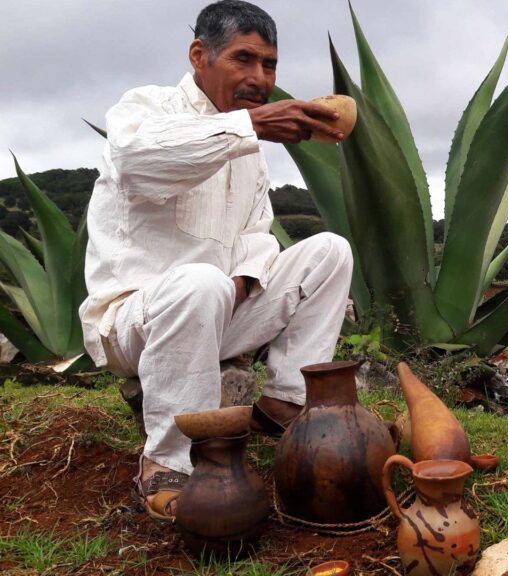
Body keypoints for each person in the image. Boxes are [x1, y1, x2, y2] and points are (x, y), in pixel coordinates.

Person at [79, 0, 354, 523]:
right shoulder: (147, 108)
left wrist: (245, 282)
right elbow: (139, 163)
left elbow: (257, 235)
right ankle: (166, 461)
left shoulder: (249, 148)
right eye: (243, 59)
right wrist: (247, 127)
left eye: (269, 65)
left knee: (330, 252)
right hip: (134, 326)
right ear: (199, 55)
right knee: (200, 283)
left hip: (218, 314)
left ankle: (286, 403)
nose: (259, 77)